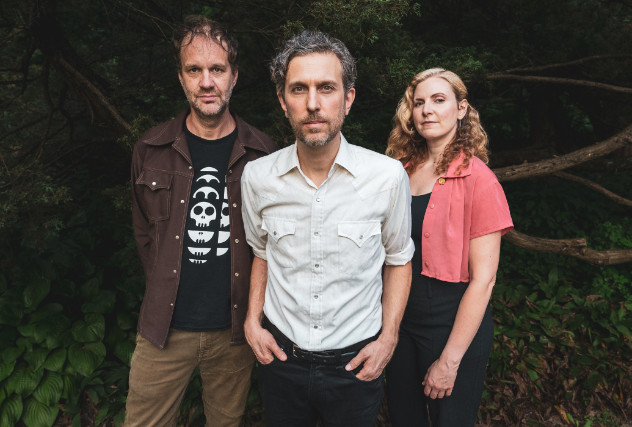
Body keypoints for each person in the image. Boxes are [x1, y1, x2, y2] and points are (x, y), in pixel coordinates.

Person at [240, 30, 414, 427]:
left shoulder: (387, 177)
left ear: (348, 99)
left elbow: (399, 259)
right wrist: (252, 320)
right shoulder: (258, 177)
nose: (313, 104)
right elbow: (261, 252)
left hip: (356, 365)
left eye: (326, 88)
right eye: (299, 89)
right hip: (280, 360)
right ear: (283, 101)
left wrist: (388, 339)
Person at [128, 16, 277, 427]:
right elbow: (144, 234)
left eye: (217, 69)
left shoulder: (264, 155)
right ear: (181, 78)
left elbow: (272, 243)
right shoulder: (150, 149)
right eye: (194, 70)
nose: (206, 82)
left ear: (234, 76)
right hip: (163, 328)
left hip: (235, 332)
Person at [384, 68, 513, 427]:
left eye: (439, 100)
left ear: (461, 108)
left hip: (452, 323)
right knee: (403, 420)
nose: (427, 109)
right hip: (400, 320)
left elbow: (484, 281)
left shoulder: (480, 180)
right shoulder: (399, 171)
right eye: (419, 103)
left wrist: (450, 360)